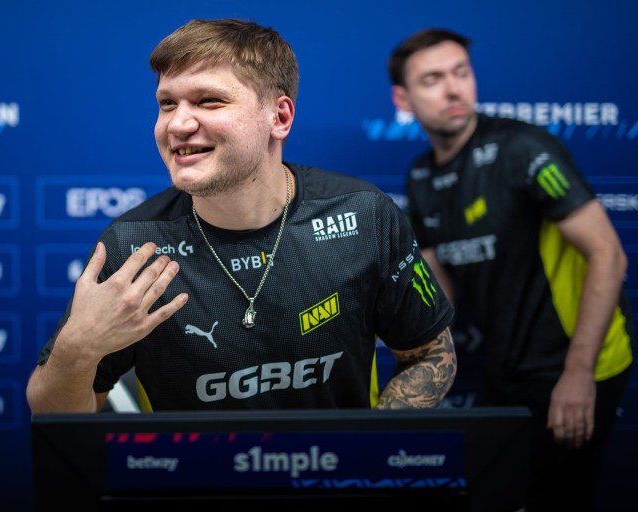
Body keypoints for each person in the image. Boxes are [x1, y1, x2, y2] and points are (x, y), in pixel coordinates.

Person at [26, 18, 455, 415]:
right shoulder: (134, 246)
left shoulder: (364, 215)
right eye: (167, 103)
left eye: (209, 101)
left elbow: (432, 355)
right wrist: (77, 349)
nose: (177, 125)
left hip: (334, 470)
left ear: (279, 117)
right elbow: (52, 415)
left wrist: (368, 448)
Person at [390, 28, 635, 510]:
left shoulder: (523, 149)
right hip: (504, 366)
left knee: (557, 497)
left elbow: (609, 254)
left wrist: (579, 374)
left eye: (461, 73)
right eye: (433, 79)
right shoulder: (419, 177)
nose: (454, 89)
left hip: (578, 361)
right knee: (496, 494)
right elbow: (439, 298)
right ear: (403, 98)